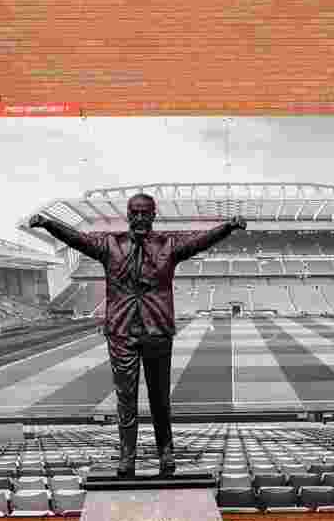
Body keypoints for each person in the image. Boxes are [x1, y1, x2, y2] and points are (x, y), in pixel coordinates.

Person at [29, 193, 247, 477]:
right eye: (135, 212)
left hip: (157, 330)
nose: (140, 217)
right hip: (121, 332)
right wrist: (48, 224)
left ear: (153, 215)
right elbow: (77, 239)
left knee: (160, 399)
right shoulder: (109, 244)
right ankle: (127, 458)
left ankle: (166, 454)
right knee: (125, 399)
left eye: (145, 212)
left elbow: (200, 240)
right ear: (128, 215)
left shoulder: (169, 244)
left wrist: (228, 227)